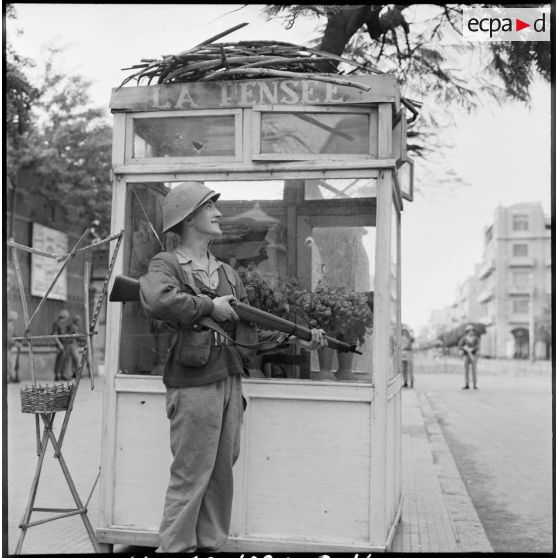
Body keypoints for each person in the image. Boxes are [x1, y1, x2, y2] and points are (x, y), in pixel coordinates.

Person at [139, 182, 326, 553]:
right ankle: (174, 549)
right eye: (210, 207)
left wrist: (297, 339)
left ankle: (210, 546)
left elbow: (249, 334)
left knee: (221, 474)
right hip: (192, 383)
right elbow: (158, 301)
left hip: (229, 379)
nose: (219, 213)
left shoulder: (227, 273)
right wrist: (210, 308)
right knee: (190, 475)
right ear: (189, 218)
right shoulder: (168, 264)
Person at [458, 324, 480, 390]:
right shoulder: (464, 338)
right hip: (466, 355)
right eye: (469, 331)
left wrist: (472, 349)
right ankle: (467, 384)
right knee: (466, 370)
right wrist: (465, 348)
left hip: (473, 355)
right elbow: (460, 346)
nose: (471, 332)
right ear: (467, 332)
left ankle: (474, 384)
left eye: (472, 331)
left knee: (474, 370)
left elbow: (478, 346)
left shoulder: (476, 339)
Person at [52, 310, 71, 381]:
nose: (66, 320)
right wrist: (60, 345)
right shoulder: (56, 324)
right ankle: (57, 375)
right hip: (59, 345)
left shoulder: (64, 324)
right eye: (66, 318)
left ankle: (63, 374)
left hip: (65, 344)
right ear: (62, 317)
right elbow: (54, 335)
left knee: (64, 360)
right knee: (59, 360)